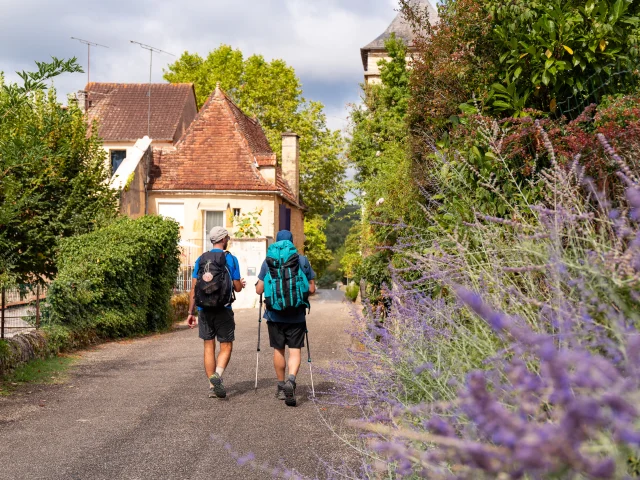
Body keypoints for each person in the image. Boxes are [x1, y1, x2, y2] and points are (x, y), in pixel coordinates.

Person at [255, 230, 316, 406]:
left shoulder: (268, 261)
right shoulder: (302, 260)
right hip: (296, 314)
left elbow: (259, 289)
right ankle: (291, 380)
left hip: (274, 314)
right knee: (295, 349)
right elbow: (311, 289)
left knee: (278, 349)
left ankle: (281, 387)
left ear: (276, 241)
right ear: (292, 242)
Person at [187, 227, 246, 398]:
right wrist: (241, 284)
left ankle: (212, 387)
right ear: (224, 239)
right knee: (226, 345)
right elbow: (237, 287)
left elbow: (194, 287)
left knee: (208, 346)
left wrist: (191, 312)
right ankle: (217, 376)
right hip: (224, 308)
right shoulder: (231, 259)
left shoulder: (201, 259)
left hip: (203, 309)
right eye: (227, 237)